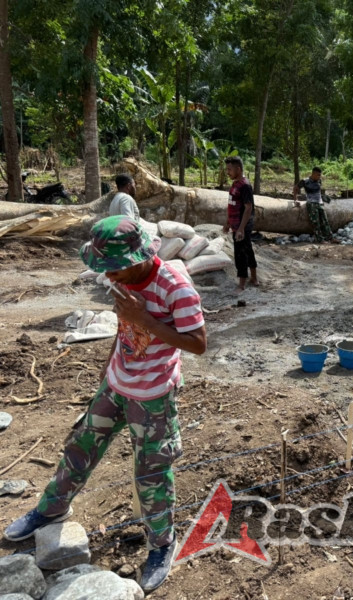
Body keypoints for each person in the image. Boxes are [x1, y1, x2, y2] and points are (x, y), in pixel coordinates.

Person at [3, 216, 207, 593]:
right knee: (79, 446)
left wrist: (142, 318)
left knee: (151, 474)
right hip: (116, 385)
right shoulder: (122, 279)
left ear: (139, 257)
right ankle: (51, 509)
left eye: (114, 269)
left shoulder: (176, 288)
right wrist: (106, 372)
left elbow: (197, 342)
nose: (109, 278)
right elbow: (123, 329)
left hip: (153, 397)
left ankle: (162, 544)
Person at [222, 156, 259, 293]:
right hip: (236, 224)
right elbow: (232, 205)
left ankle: (242, 284)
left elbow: (248, 208)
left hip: (242, 226)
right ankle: (254, 278)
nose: (228, 172)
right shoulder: (234, 184)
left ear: (238, 169)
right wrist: (227, 223)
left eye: (230, 169)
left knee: (240, 253)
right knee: (248, 249)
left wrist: (241, 229)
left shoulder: (245, 186)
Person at [294, 166, 334, 243]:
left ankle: (330, 238)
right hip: (311, 203)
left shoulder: (319, 181)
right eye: (318, 175)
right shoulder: (305, 181)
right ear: (314, 174)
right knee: (315, 222)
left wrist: (324, 198)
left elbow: (318, 191)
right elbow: (295, 188)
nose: (320, 177)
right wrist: (295, 200)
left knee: (325, 221)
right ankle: (320, 239)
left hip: (320, 203)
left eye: (320, 175)